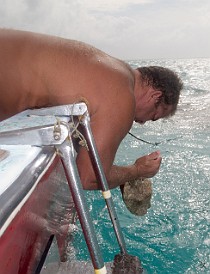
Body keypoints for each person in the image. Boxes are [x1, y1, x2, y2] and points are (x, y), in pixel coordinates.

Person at [0, 29, 183, 190]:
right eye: (153, 117)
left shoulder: (111, 69)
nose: (142, 122)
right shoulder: (122, 96)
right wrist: (136, 171)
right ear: (155, 96)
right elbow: (89, 178)